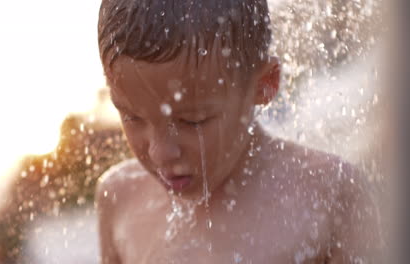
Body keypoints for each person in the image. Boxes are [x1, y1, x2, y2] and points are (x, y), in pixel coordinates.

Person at [95, 0, 383, 263]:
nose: (160, 152)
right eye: (131, 116)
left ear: (264, 83)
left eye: (193, 121)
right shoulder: (118, 197)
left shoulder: (330, 194)